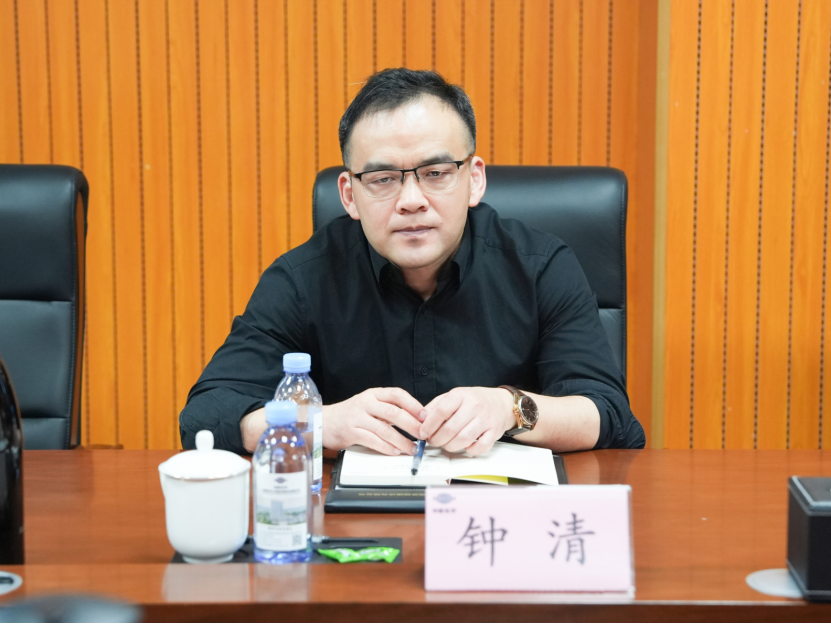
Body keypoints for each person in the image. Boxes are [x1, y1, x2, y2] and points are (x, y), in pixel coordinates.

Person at [179, 68, 645, 456]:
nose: (411, 200)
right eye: (382, 179)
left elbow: (607, 413)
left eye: (435, 173)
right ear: (350, 195)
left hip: (501, 516)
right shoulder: (303, 279)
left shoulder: (540, 267)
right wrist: (321, 424)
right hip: (354, 525)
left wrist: (510, 408)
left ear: (474, 180)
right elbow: (206, 415)